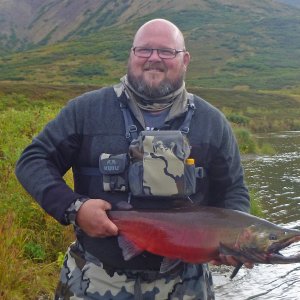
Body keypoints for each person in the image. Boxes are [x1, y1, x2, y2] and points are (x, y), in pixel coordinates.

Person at [15, 18, 252, 300]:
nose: (154, 58)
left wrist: (236, 239)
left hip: (186, 283)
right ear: (131, 54)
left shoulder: (213, 123)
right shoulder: (86, 110)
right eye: (144, 50)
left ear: (185, 59)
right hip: (93, 276)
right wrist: (74, 208)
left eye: (166, 51)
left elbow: (233, 190)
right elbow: (33, 160)